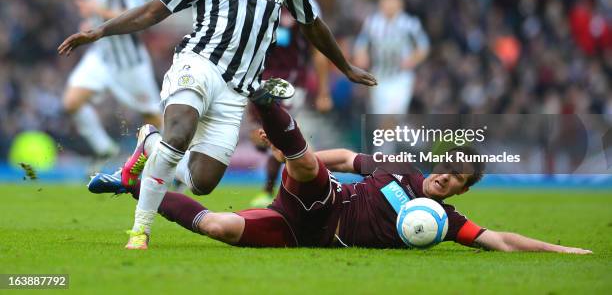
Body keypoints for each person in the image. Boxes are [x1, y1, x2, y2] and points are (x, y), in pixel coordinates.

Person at [58, 0, 376, 249]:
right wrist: (100, 30)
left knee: (202, 182)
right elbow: (153, 10)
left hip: (237, 89)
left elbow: (312, 24)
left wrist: (344, 66)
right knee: (177, 137)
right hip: (198, 63)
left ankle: (148, 141)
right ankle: (139, 231)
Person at [89, 80, 591, 254]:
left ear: (459, 192)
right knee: (308, 170)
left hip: (303, 232)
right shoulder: (401, 172)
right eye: (447, 169)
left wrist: (559, 247)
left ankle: (136, 182)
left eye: (456, 180)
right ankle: (267, 104)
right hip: (323, 199)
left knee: (219, 226)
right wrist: (290, 156)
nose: (445, 178)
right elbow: (348, 159)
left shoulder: (445, 226)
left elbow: (499, 240)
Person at [62, 0, 162, 165]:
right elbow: (97, 12)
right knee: (71, 101)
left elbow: (139, 14)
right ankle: (104, 148)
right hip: (102, 56)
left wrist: (98, 11)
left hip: (129, 62)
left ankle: (173, 163)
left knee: (152, 116)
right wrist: (90, 22)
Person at [248, 0, 333, 208]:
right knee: (260, 139)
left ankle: (270, 191)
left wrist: (323, 91)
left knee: (278, 133)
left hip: (290, 81)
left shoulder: (304, 3)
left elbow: (319, 51)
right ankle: (293, 177)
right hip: (257, 78)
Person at [354, 0, 429, 114]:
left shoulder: (410, 23)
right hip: (379, 75)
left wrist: (413, 59)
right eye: (386, 2)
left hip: (401, 76)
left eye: (392, 2)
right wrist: (361, 56)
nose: (389, 6)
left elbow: (423, 46)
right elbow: (361, 44)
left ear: (400, 5)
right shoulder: (372, 23)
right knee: (381, 116)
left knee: (394, 114)